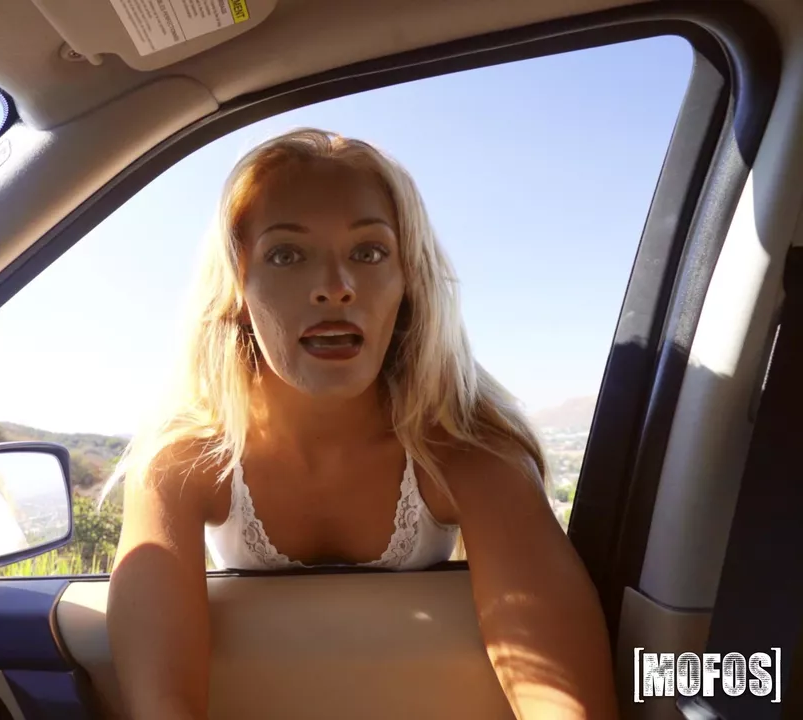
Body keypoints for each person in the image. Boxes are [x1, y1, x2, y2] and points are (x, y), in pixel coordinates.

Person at [103, 129, 617, 719]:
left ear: (408, 281)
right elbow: (162, 707)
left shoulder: (472, 454)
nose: (335, 288)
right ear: (238, 286)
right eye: (287, 255)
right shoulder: (179, 462)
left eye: (368, 253)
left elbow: (565, 706)